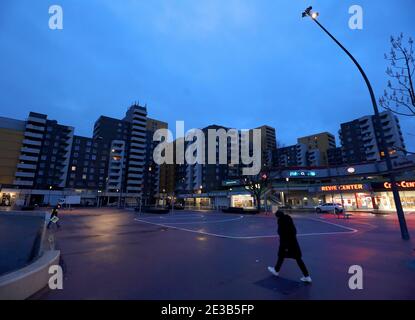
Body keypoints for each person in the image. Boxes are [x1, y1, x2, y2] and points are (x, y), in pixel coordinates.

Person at [268, 210, 312, 283]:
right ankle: (307, 276)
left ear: (278, 217)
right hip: (294, 243)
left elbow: (282, 234)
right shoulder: (289, 220)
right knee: (298, 259)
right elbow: (294, 231)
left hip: (285, 243)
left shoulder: (281, 222)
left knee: (281, 256)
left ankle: (276, 270)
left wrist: (285, 246)